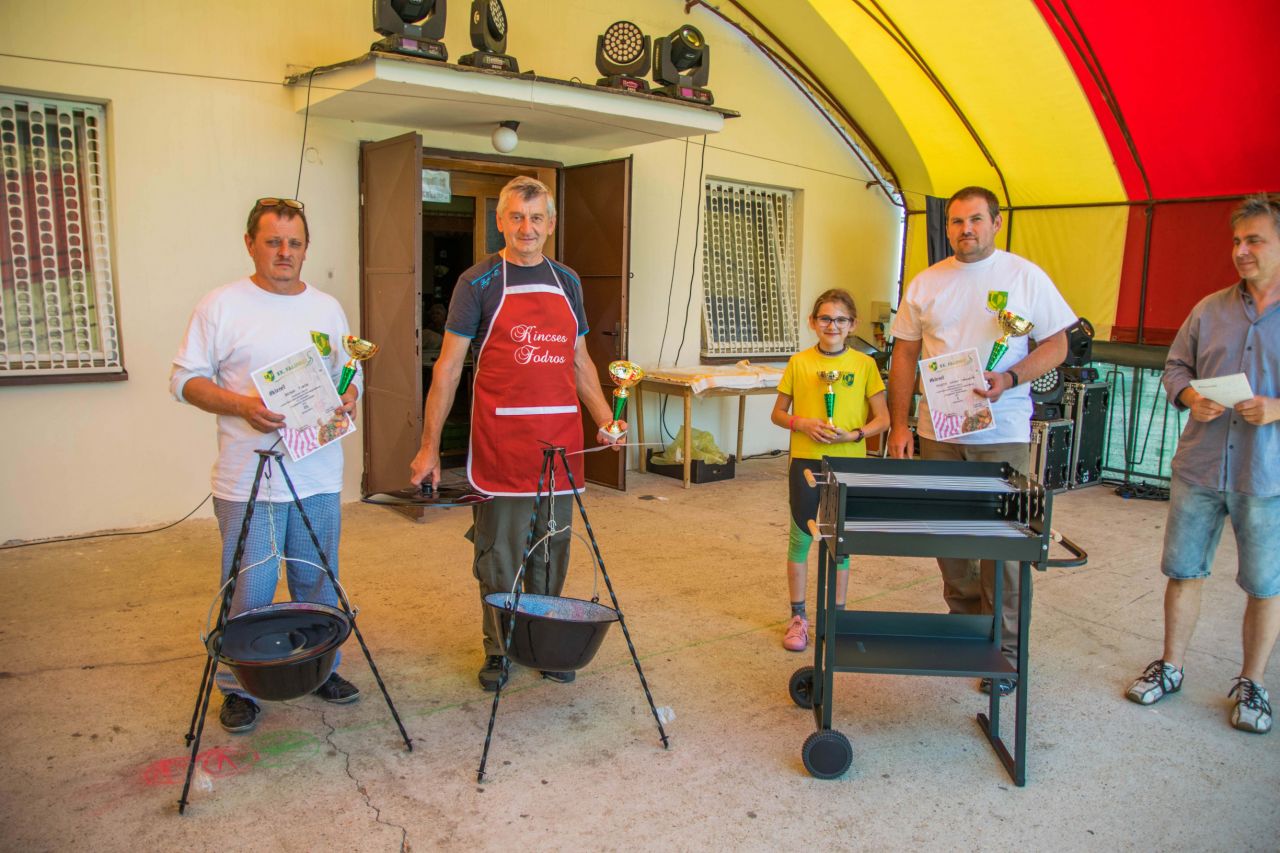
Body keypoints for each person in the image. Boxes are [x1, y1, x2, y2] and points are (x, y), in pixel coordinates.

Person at [409, 176, 622, 691]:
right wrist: (429, 448)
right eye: (517, 217)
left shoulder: (567, 281)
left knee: (552, 549)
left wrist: (603, 418)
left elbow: (579, 361)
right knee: (501, 554)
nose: (527, 228)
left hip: (560, 441)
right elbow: (448, 368)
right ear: (500, 221)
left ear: (551, 224)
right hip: (501, 443)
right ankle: (499, 649)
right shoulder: (478, 282)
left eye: (536, 218)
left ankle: (544, 642)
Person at [170, 197, 361, 733]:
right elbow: (183, 380)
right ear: (250, 244)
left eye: (294, 243)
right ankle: (238, 688)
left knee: (317, 582)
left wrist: (350, 397)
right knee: (249, 592)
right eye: (273, 241)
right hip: (247, 477)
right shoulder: (221, 305)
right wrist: (242, 406)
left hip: (317, 475)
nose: (284, 252)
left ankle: (321, 668)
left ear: (306, 248)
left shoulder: (327, 308)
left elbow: (348, 374)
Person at [887, 186, 1075, 695]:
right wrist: (901, 425)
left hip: (1002, 435)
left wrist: (1010, 378)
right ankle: (969, 630)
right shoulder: (927, 283)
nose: (965, 229)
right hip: (938, 434)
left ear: (995, 222)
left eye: (975, 219)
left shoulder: (1024, 276)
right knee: (948, 541)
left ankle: (1005, 653)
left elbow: (1057, 344)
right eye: (955, 221)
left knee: (1004, 546)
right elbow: (904, 355)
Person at [1124, 194, 1280, 734]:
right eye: (1236, 241)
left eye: (1254, 240)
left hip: (1266, 475)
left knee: (1264, 584)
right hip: (1200, 467)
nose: (1241, 251)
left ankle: (1253, 683)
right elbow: (1175, 368)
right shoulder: (1208, 309)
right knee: (1183, 571)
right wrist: (1190, 396)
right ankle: (1170, 666)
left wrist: (1276, 408)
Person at [771, 289, 889, 651]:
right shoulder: (799, 362)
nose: (832, 325)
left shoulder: (865, 365)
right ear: (812, 322)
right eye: (825, 318)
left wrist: (854, 434)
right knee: (800, 538)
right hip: (805, 460)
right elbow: (778, 413)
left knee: (841, 541)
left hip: (848, 463)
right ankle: (798, 618)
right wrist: (802, 423)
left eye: (840, 319)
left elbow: (883, 419)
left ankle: (838, 619)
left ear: (852, 324)